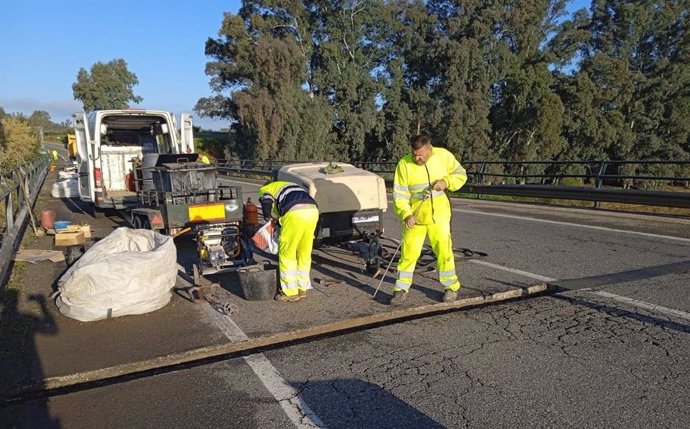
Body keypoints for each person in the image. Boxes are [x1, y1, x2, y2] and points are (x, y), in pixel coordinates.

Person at [389, 134, 468, 305]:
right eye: (414, 154)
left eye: (421, 154)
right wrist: (406, 214)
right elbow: (400, 194)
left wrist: (446, 182)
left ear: (429, 149)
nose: (417, 158)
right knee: (408, 254)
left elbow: (461, 174)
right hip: (415, 217)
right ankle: (400, 289)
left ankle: (451, 287)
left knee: (444, 251)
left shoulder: (444, 156)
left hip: (439, 215)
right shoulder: (404, 164)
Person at [258, 181, 319, 302]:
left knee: (287, 253)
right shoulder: (289, 186)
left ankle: (290, 292)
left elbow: (266, 201)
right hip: (313, 211)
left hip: (294, 214)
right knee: (304, 252)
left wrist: (267, 217)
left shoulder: (266, 188)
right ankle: (303, 288)